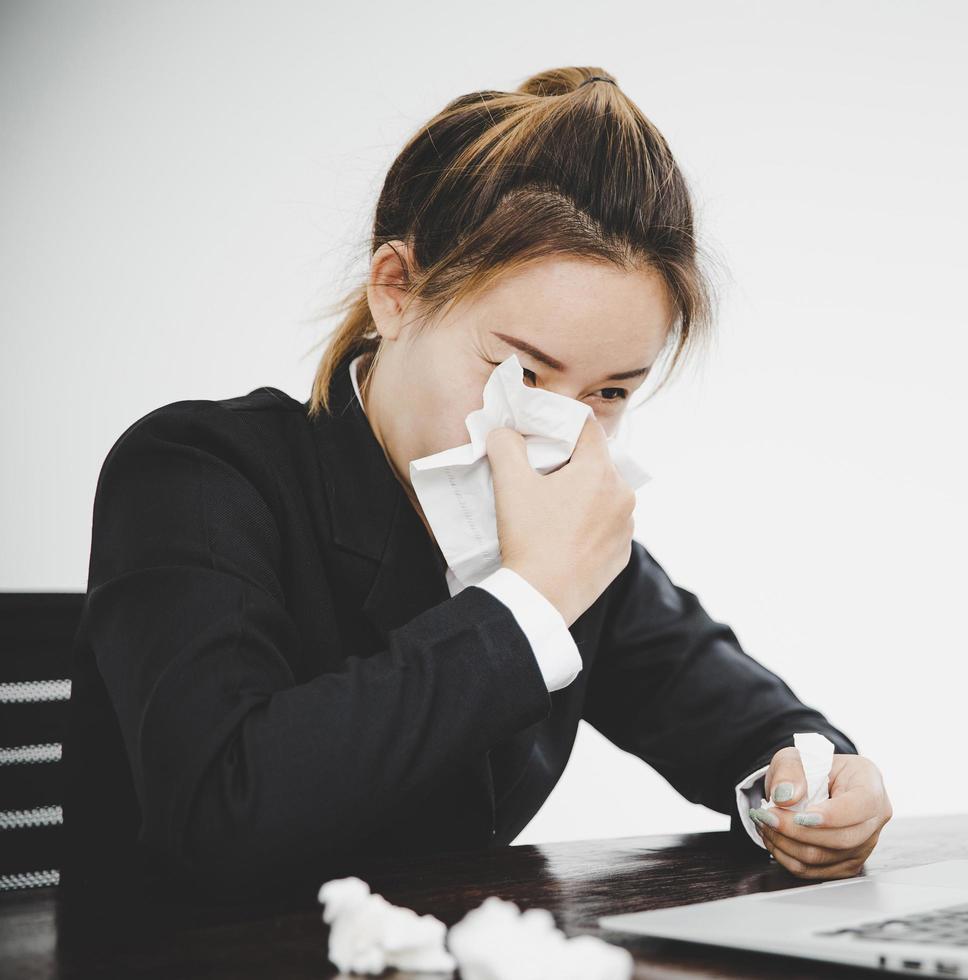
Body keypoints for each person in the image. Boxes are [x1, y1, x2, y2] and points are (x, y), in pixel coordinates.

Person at [61, 67, 892, 901]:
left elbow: (757, 730)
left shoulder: (563, 531)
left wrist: (809, 788)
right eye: (523, 372)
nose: (558, 433)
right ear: (397, 291)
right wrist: (528, 604)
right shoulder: (198, 471)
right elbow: (220, 813)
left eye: (610, 393)